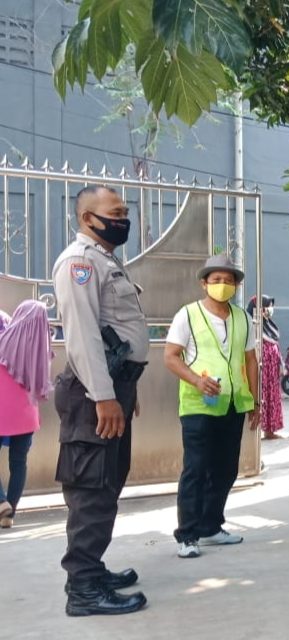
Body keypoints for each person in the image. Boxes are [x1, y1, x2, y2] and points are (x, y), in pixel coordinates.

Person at [52, 185, 148, 616]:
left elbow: (121, 333)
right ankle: (83, 589)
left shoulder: (106, 260)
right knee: (92, 487)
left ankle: (92, 567)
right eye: (116, 212)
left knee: (108, 481)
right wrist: (105, 396)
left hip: (113, 387)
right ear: (88, 218)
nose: (123, 219)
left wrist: (127, 391)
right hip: (94, 392)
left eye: (125, 211)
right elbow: (83, 335)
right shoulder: (80, 263)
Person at [164, 254, 259, 559]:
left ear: (236, 285)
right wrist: (196, 380)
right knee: (196, 469)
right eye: (216, 280)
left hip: (233, 403)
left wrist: (256, 400)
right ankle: (187, 534)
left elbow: (250, 360)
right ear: (204, 283)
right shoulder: (187, 315)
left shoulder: (243, 317)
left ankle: (211, 526)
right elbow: (170, 356)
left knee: (226, 468)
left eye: (228, 281)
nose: (222, 285)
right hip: (198, 406)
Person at [0, 300, 53, 529]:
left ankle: (1, 501)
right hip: (26, 414)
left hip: (2, 409)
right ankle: (9, 514)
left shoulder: (4, 341)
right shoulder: (42, 348)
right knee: (19, 462)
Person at [248, 295, 284, 439]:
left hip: (271, 371)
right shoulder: (252, 325)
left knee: (272, 398)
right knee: (261, 397)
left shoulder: (268, 324)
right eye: (266, 306)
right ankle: (258, 431)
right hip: (262, 370)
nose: (270, 310)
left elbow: (275, 344)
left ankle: (270, 430)